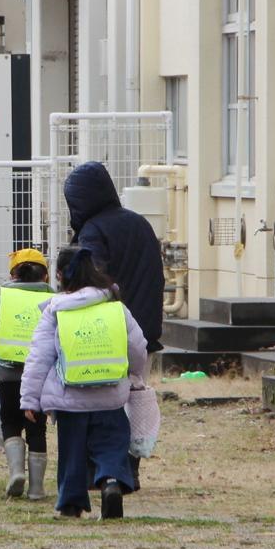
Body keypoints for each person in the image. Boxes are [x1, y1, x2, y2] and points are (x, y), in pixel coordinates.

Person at [20, 246, 148, 520]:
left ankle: (71, 503)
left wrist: (30, 399)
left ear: (59, 276)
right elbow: (137, 347)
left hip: (70, 398)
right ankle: (111, 482)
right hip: (111, 392)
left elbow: (39, 357)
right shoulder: (115, 306)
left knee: (72, 452)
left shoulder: (55, 310)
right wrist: (135, 374)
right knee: (112, 443)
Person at [63, 161, 165, 489]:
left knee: (104, 402)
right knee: (135, 396)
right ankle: (130, 467)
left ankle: (106, 469)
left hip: (106, 331)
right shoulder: (139, 224)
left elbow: (90, 285)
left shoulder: (93, 232)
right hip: (145, 329)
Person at [0, 248, 54, 500]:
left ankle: (15, 473)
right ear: (45, 276)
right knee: (38, 429)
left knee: (10, 422)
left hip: (9, 374)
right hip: (42, 376)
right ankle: (36, 488)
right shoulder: (53, 298)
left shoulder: (5, 296)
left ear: (14, 274)